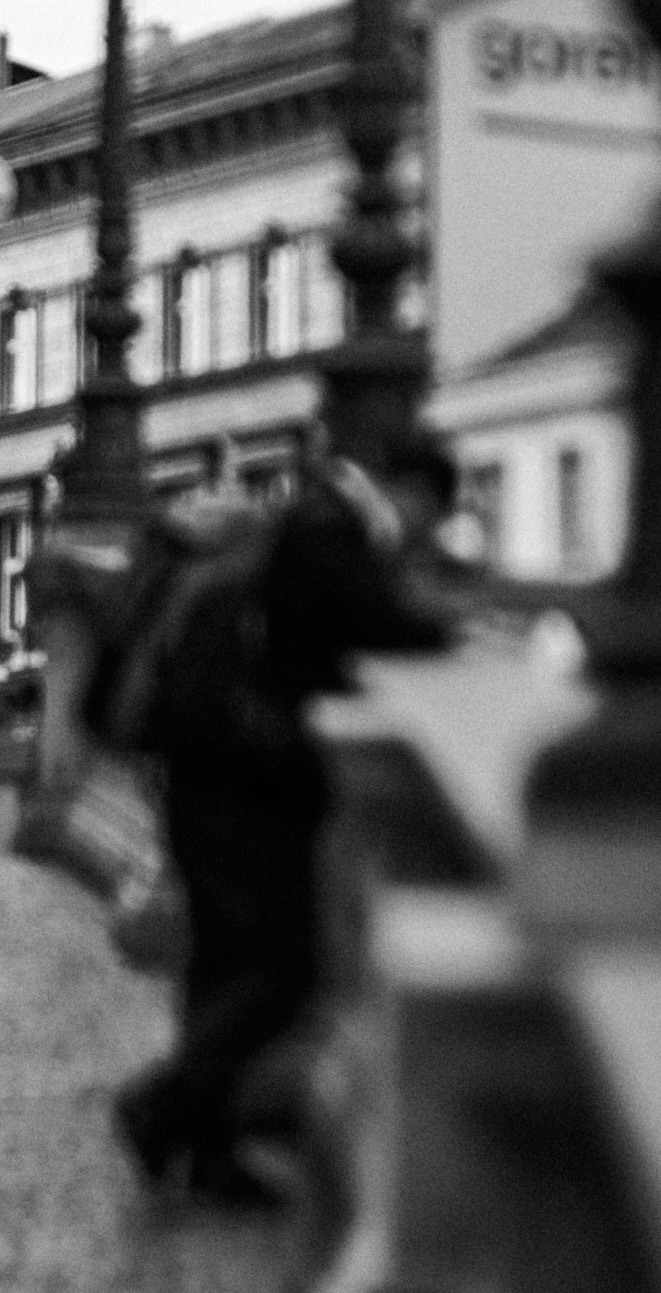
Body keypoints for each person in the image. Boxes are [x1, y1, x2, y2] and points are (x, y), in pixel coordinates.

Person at [113, 431, 461, 1203]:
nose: (420, 539)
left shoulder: (295, 518)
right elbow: (381, 625)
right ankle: (160, 1108)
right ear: (412, 493)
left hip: (207, 773)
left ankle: (209, 1152)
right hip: (243, 785)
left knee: (225, 962)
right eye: (429, 521)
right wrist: (447, 628)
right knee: (283, 962)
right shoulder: (328, 531)